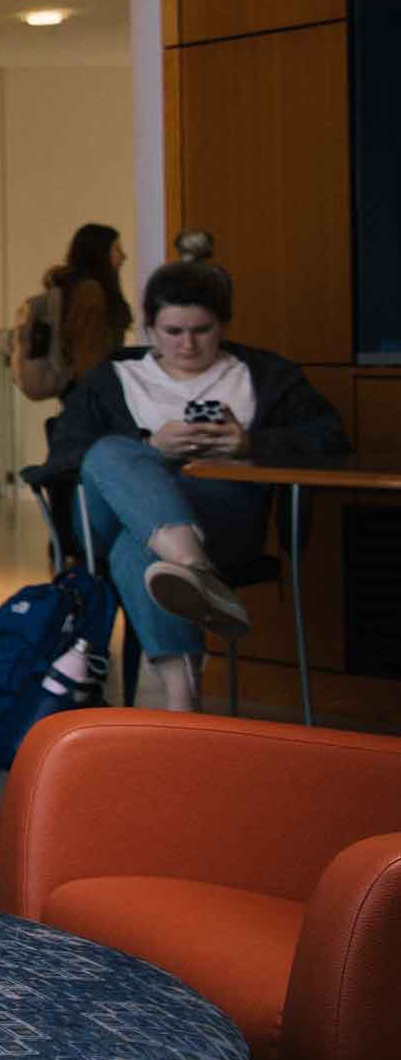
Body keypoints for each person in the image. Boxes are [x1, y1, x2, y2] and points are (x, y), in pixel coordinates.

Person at [42, 261, 350, 710]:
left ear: (223, 324)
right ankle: (196, 568)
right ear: (149, 326)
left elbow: (331, 438)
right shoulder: (114, 378)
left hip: (222, 516)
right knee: (110, 451)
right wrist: (151, 445)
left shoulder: (262, 374)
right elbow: (64, 454)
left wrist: (250, 441)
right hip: (106, 518)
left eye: (202, 330)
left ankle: (182, 701)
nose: (186, 344)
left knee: (139, 545)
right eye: (172, 331)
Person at [43, 221, 134, 382]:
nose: (123, 256)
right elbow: (88, 349)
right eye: (116, 249)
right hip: (91, 386)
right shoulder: (90, 292)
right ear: (100, 254)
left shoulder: (81, 289)